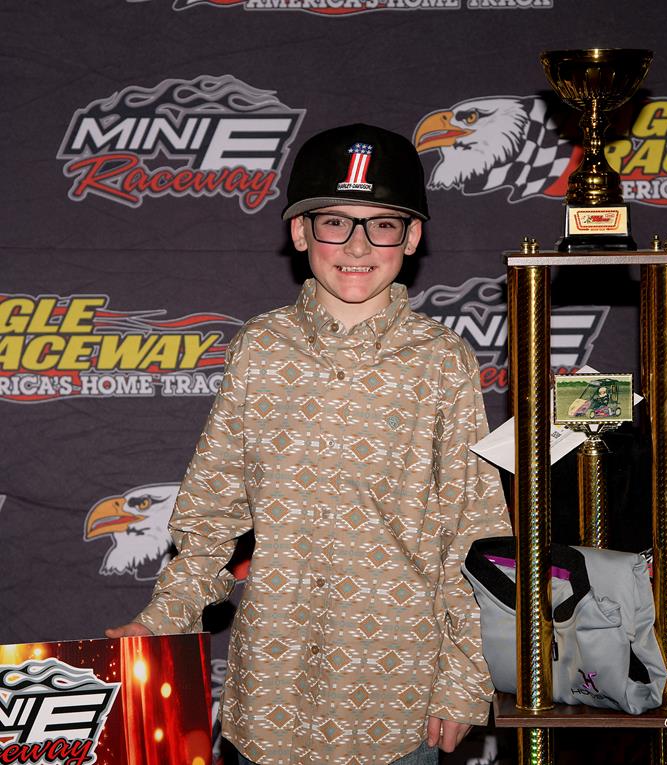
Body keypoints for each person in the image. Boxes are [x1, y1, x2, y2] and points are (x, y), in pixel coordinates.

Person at [106, 123, 513, 765]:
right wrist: (162, 620)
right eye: (335, 223)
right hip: (271, 697)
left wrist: (465, 678)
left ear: (411, 237)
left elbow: (471, 530)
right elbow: (210, 514)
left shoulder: (442, 361)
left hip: (397, 698)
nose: (358, 245)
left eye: (382, 225)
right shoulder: (259, 350)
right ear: (300, 232)